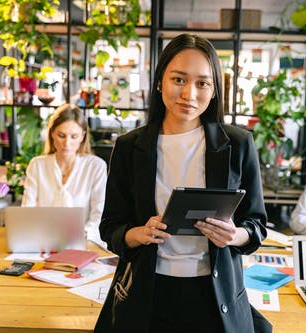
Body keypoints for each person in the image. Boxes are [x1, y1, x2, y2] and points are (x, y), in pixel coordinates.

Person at [95, 34, 270, 333]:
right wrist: (138, 233)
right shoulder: (129, 146)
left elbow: (256, 225)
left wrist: (235, 235)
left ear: (215, 90)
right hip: (148, 295)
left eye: (202, 83)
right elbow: (111, 227)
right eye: (179, 79)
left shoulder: (238, 144)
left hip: (214, 298)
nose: (189, 93)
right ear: (160, 81)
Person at [22, 104, 108, 248]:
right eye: (61, 135)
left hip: (84, 243)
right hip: (42, 243)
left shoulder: (96, 166)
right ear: (52, 134)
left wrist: (82, 234)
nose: (67, 143)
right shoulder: (37, 165)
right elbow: (27, 211)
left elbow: (99, 214)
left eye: (74, 136)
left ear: (83, 136)